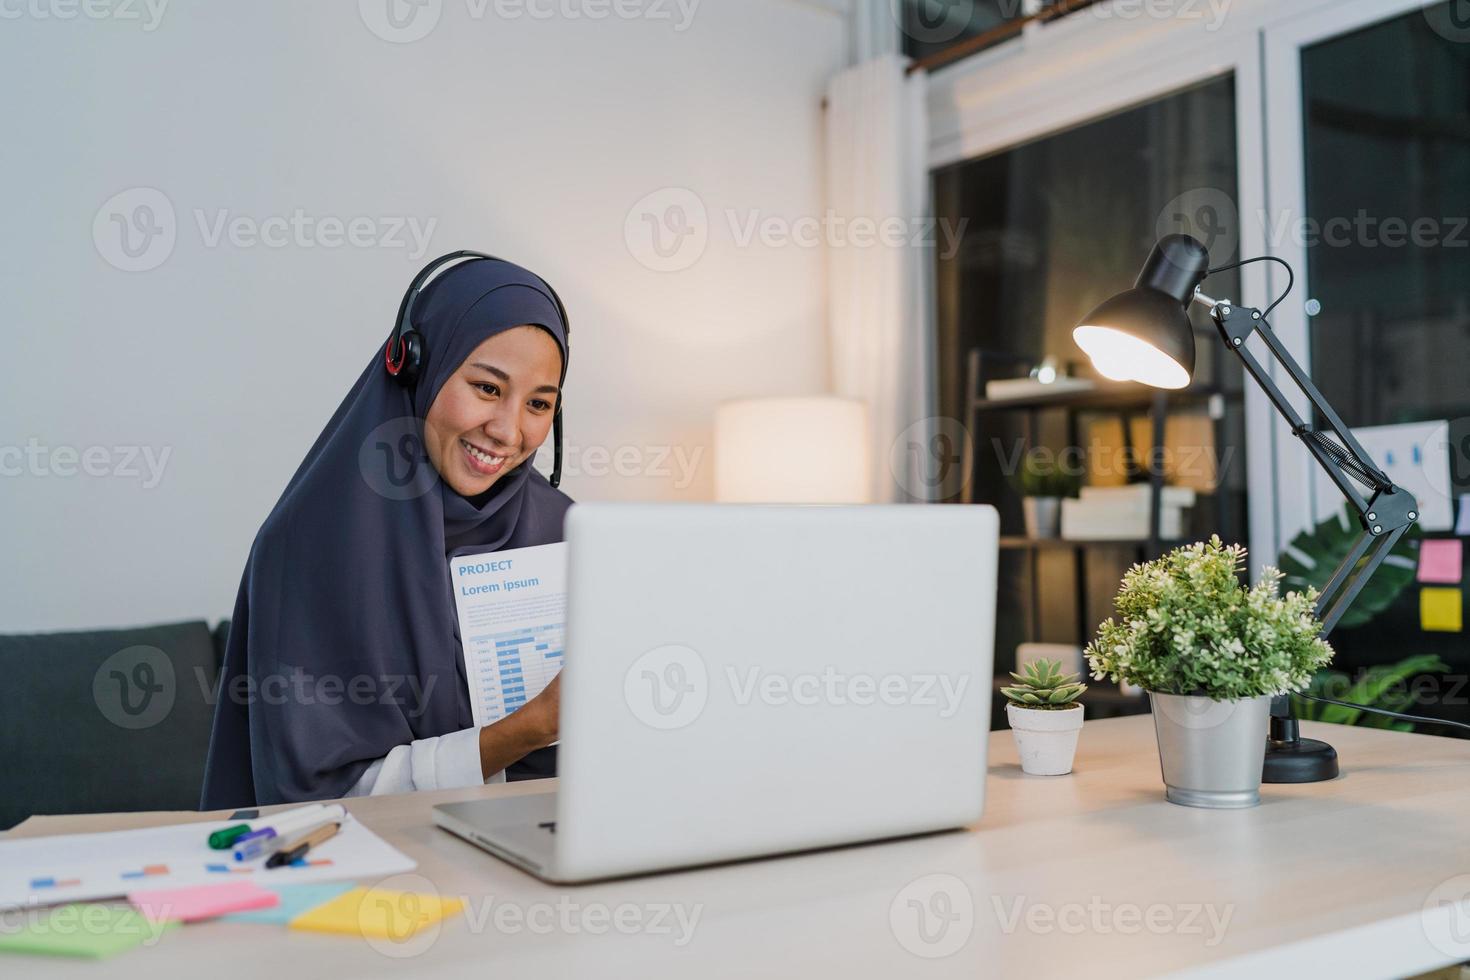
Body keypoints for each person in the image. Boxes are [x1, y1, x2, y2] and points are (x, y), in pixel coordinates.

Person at [201, 255, 572, 808]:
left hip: (552, 852)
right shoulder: (308, 546)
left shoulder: (564, 530)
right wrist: (528, 728)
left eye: (539, 404)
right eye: (487, 388)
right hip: (380, 876)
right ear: (415, 365)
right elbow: (320, 798)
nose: (508, 430)